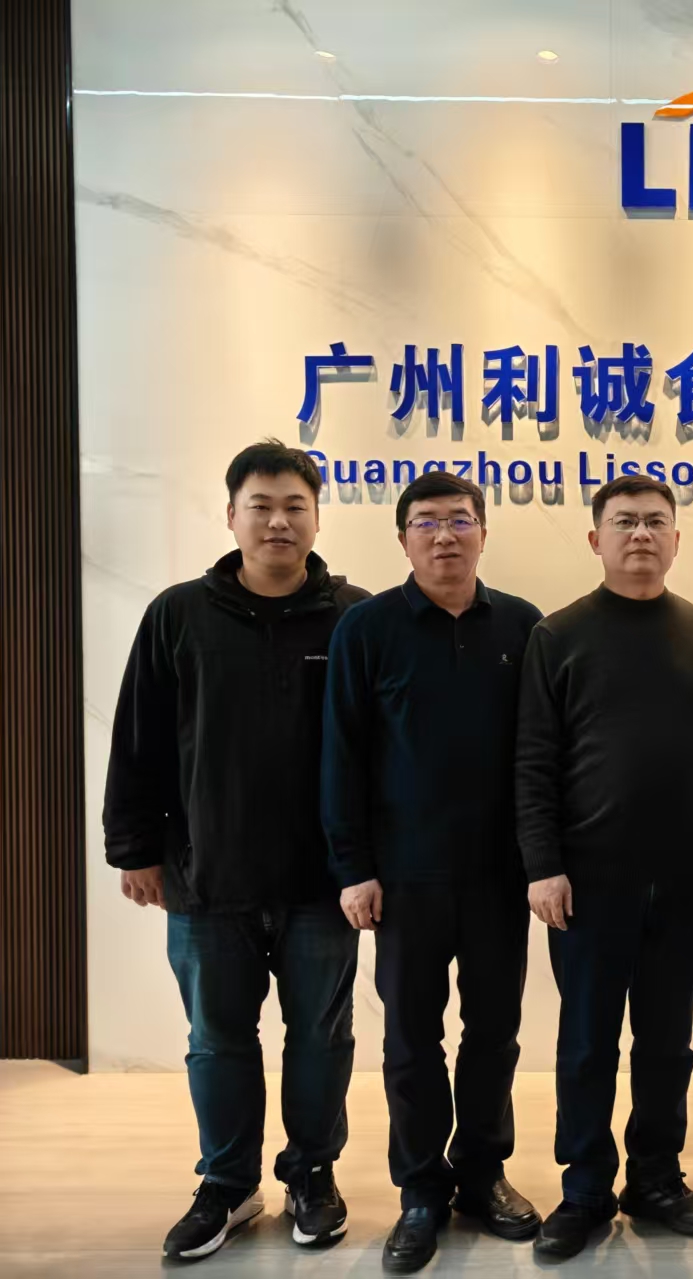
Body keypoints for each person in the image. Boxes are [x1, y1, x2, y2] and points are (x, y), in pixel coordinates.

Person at [102, 440, 368, 1262]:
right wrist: (133, 847)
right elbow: (139, 738)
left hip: (323, 881)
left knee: (320, 1037)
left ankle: (312, 1172)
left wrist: (373, 861)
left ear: (317, 518)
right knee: (217, 1038)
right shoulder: (178, 614)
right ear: (231, 516)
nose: (278, 521)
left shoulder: (355, 616)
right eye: (261, 505)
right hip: (205, 875)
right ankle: (227, 1181)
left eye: (295, 506)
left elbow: (381, 750)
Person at [515, 475, 693, 1260]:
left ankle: (656, 1175)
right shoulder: (558, 635)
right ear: (596, 539)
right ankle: (584, 1186)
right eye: (624, 522)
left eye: (655, 522)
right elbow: (534, 760)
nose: (641, 534)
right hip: (586, 881)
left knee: (667, 1039)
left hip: (682, 877)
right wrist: (542, 864)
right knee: (586, 1040)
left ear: (677, 539)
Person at [321, 473, 543, 1274]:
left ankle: (482, 1173)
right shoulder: (367, 627)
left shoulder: (523, 625)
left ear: (483, 530)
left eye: (459, 519)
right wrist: (353, 867)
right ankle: (420, 1189)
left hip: (498, 875)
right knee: (412, 1040)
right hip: (404, 878)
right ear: (403, 537)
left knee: (494, 1032)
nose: (444, 535)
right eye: (426, 522)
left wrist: (542, 861)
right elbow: (341, 754)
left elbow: (541, 754)